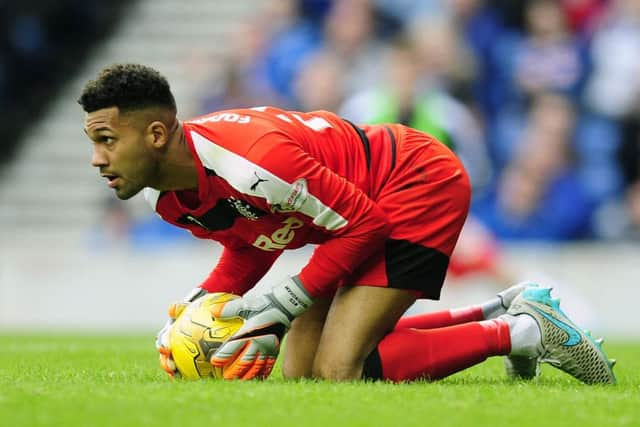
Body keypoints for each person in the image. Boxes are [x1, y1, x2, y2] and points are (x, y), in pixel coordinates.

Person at [78, 63, 616, 384]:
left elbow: (366, 223)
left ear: (155, 135)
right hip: (351, 216)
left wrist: (280, 305)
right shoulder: (167, 196)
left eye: (107, 140)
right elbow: (254, 239)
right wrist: (199, 306)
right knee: (304, 371)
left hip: (412, 180)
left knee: (341, 369)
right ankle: (500, 307)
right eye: (94, 143)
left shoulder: (250, 160)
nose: (99, 159)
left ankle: (521, 331)